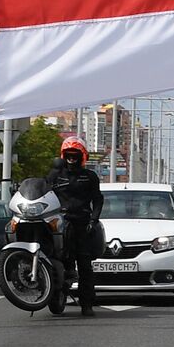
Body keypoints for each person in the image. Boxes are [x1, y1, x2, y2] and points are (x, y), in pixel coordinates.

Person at [46, 135, 103, 317]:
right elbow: (43, 193)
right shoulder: (55, 175)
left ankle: (87, 304)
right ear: (63, 155)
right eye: (69, 154)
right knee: (51, 255)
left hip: (81, 224)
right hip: (59, 224)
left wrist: (93, 220)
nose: (72, 158)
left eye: (75, 154)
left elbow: (98, 200)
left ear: (82, 155)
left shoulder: (89, 176)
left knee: (85, 265)